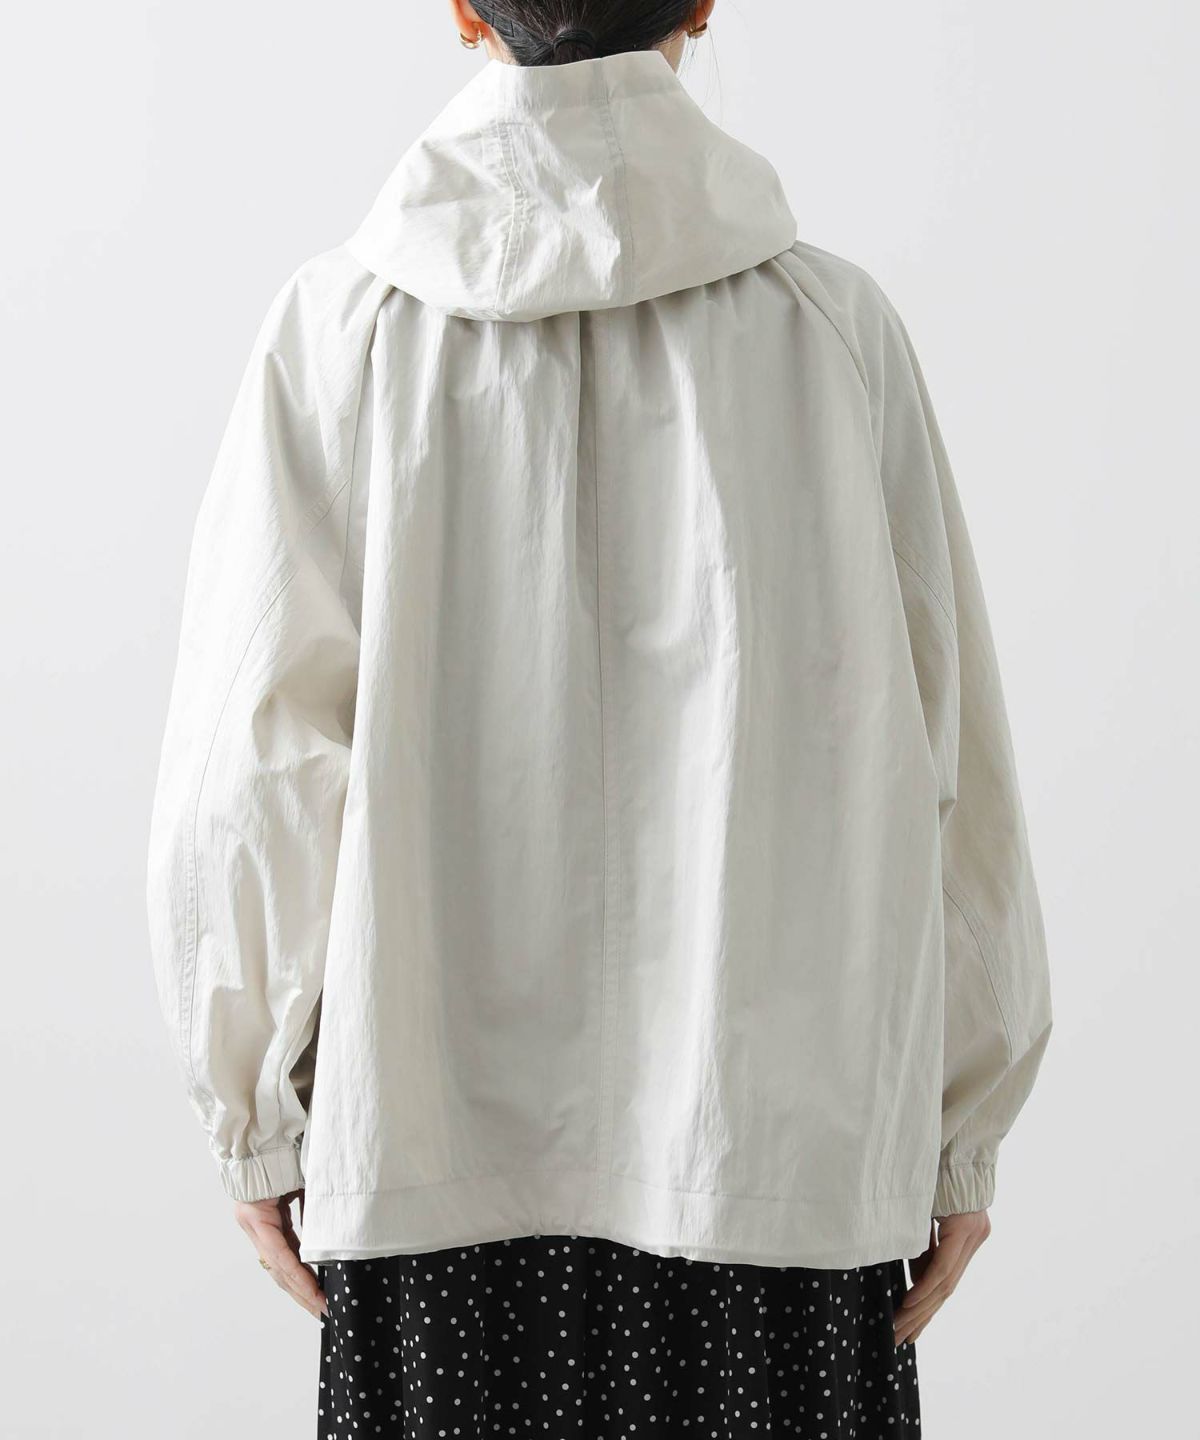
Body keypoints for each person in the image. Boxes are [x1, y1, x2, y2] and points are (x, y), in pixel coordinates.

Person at [147, 2, 1053, 1434]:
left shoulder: (343, 331)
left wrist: (251, 1106)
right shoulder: (834, 333)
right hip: (776, 1176)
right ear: (701, 3)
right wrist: (959, 1131)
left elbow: (249, 770)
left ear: (464, 10)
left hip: (431, 1174)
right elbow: (954, 761)